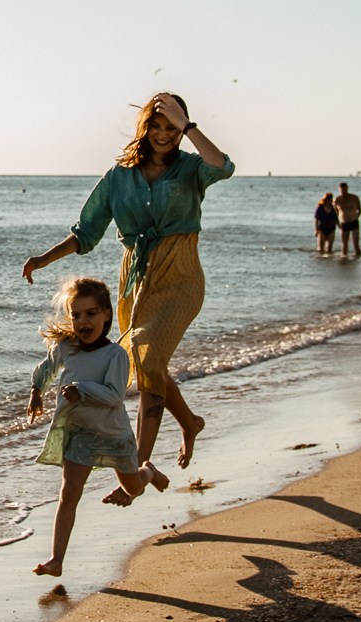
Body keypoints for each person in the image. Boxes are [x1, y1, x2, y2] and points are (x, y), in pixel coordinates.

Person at [22, 92, 234, 488]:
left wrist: (189, 126)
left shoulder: (191, 168)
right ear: (145, 127)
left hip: (181, 274)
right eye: (157, 124)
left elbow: (223, 166)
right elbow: (86, 231)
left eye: (172, 127)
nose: (163, 134)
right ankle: (190, 422)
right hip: (136, 280)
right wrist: (45, 259)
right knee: (143, 358)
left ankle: (138, 464)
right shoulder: (119, 177)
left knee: (148, 361)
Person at [26, 276, 167, 578]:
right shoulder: (68, 348)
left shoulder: (115, 355)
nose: (82, 321)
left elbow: (114, 396)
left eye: (90, 313)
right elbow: (46, 367)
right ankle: (56, 559)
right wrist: (37, 390)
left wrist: (82, 389)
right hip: (80, 434)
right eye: (76, 315)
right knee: (69, 494)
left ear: (106, 314)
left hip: (114, 435)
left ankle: (148, 472)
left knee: (132, 488)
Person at [335, 182, 361, 256]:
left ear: (347, 188)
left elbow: (359, 209)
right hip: (344, 223)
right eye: (342, 190)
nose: (343, 191)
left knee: (356, 243)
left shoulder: (354, 198)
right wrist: (338, 223)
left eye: (345, 189)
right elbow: (335, 213)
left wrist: (356, 217)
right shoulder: (337, 199)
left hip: (354, 221)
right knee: (344, 244)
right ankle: (344, 259)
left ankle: (358, 258)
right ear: (339, 190)